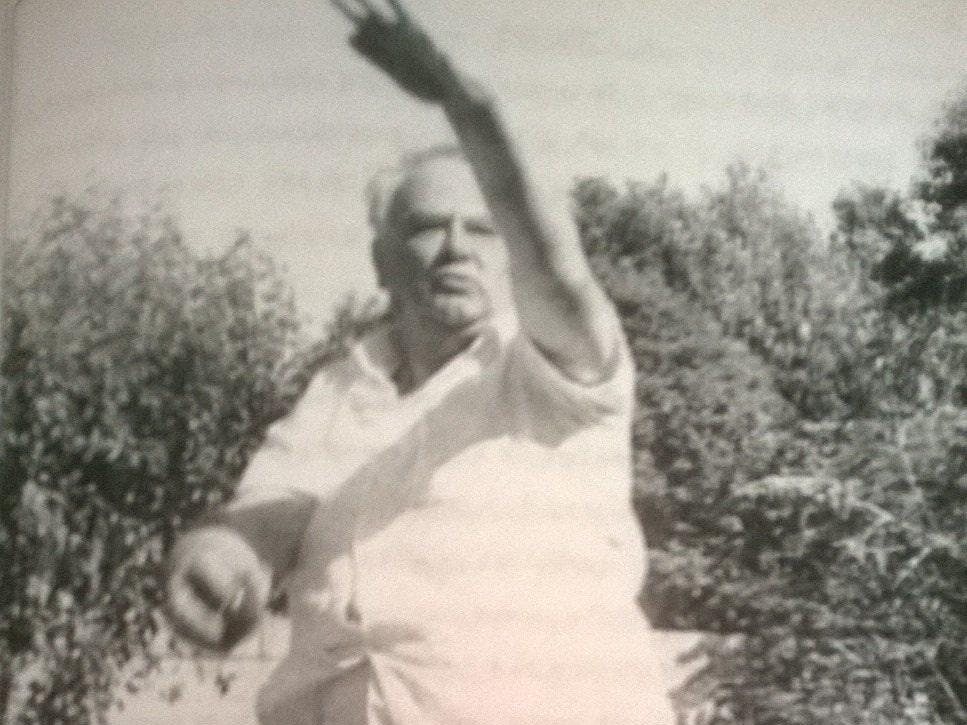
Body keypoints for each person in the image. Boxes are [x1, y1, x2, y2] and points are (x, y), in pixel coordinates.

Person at [165, 1, 675, 722]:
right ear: (381, 259)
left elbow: (558, 273)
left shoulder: (563, 375)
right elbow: (273, 509)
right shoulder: (341, 389)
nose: (457, 249)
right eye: (428, 229)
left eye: (483, 230)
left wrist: (469, 108)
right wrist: (223, 555)